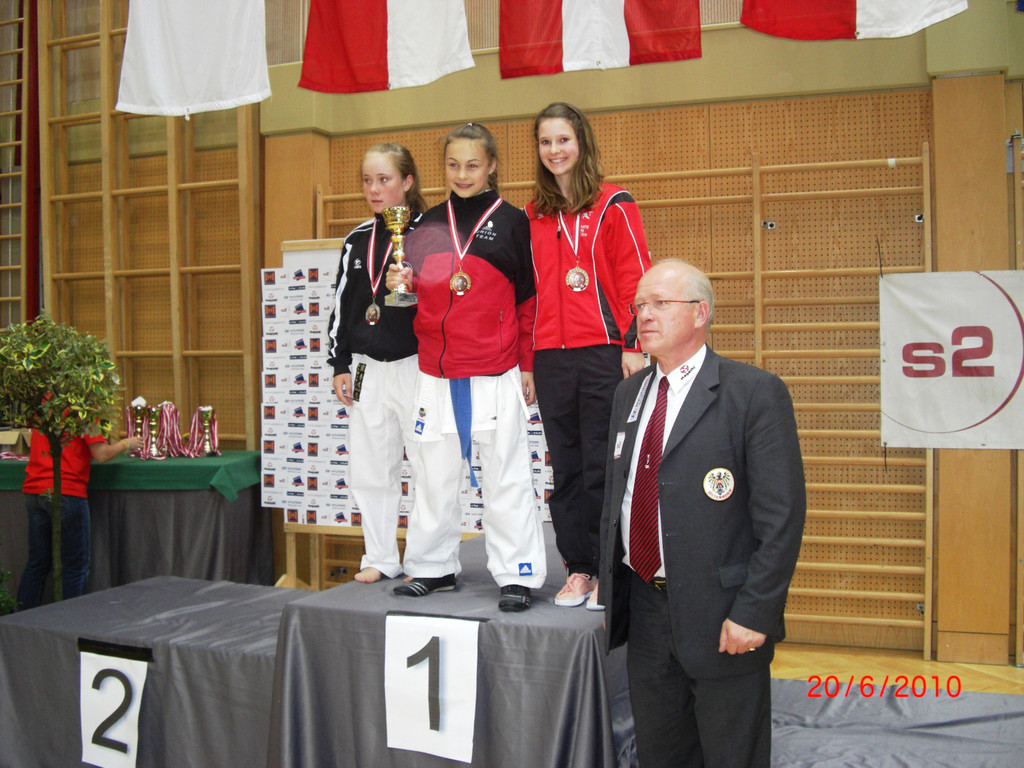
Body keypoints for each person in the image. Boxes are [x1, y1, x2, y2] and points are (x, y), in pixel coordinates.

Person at [599, 259, 806, 768]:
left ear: (700, 313)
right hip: (645, 613)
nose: (645, 315)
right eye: (639, 305)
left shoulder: (752, 392)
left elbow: (781, 517)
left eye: (659, 303)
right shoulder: (628, 394)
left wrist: (754, 612)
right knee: (660, 754)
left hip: (724, 617)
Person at [386, 122, 546, 612]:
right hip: (436, 371)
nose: (462, 174)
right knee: (433, 476)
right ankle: (432, 567)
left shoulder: (514, 222)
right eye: (453, 165)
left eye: (473, 164)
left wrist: (527, 364)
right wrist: (400, 283)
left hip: (495, 368)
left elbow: (529, 301)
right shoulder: (425, 225)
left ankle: (517, 573)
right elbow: (415, 297)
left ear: (492, 166)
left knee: (506, 475)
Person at [525, 102, 651, 610]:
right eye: (545, 142)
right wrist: (528, 361)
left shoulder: (614, 203)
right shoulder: (533, 215)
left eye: (563, 140)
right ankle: (578, 568)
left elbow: (634, 278)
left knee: (604, 465)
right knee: (567, 470)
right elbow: (527, 295)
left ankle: (608, 570)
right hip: (551, 358)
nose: (554, 150)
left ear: (582, 143)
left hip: (604, 353)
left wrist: (634, 345)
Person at [326, 143, 426, 584]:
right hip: (367, 365)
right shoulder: (356, 240)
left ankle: (425, 560)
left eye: (384, 179)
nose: (374, 189)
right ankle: (381, 556)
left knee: (427, 466)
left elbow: (442, 302)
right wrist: (339, 363)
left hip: (417, 364)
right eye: (367, 180)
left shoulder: (430, 234)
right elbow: (341, 306)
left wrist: (413, 289)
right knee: (369, 467)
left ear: (407, 181)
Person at [17, 429, 143, 609]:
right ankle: (71, 619)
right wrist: (127, 444)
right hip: (68, 491)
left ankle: (21, 619)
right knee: (74, 567)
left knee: (37, 564)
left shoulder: (41, 409)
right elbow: (101, 454)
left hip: (35, 488)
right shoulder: (85, 414)